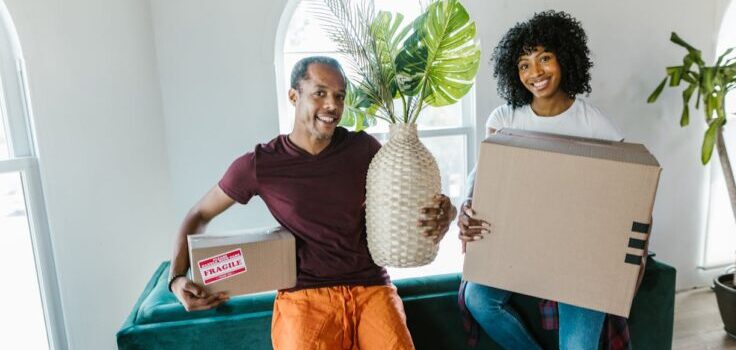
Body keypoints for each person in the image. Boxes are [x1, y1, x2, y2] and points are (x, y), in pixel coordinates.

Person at [167, 56, 457, 349]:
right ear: (294, 96)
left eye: (339, 96)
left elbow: (405, 209)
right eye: (320, 93)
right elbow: (199, 214)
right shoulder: (260, 165)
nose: (332, 105)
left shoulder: (365, 149)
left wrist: (444, 214)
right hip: (304, 296)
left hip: (372, 287)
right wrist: (177, 279)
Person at [457, 11, 634, 350]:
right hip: (520, 245)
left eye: (545, 59)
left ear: (565, 58)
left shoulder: (595, 125)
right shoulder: (505, 117)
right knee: (478, 298)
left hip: (580, 257)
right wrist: (466, 203)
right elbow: (483, 175)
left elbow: (628, 190)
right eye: (524, 64)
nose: (535, 73)